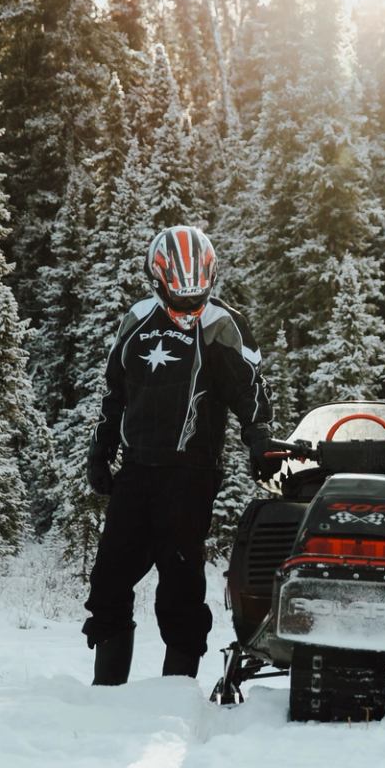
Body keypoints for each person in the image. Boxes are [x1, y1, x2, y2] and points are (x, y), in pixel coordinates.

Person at [83, 225, 276, 684]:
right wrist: (100, 448)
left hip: (191, 475)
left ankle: (176, 692)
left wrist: (260, 440)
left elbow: (249, 392)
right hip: (136, 470)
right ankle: (106, 692)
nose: (187, 310)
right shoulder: (137, 320)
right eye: (178, 299)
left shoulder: (220, 324)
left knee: (180, 584)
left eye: (195, 298)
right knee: (109, 579)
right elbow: (115, 391)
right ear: (158, 278)